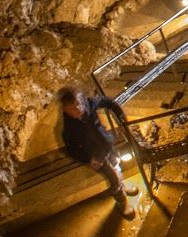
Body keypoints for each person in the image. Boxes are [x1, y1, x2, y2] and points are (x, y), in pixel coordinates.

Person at [57, 86, 139, 217]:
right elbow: (71, 150)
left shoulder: (89, 104)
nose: (78, 109)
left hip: (107, 145)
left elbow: (109, 102)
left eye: (78, 104)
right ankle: (122, 202)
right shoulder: (69, 129)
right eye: (72, 108)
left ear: (81, 99)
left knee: (117, 164)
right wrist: (88, 159)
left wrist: (122, 120)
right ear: (65, 110)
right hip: (95, 156)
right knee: (113, 179)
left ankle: (123, 185)